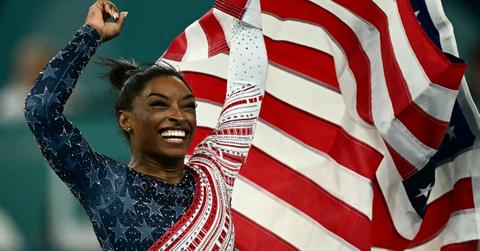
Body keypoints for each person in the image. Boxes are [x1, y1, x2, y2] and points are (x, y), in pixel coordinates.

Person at [24, 0, 267, 250]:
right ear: (125, 119)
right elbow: (40, 110)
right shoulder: (107, 184)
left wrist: (243, 10)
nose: (178, 115)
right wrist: (90, 35)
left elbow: (246, 87)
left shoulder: (213, 173)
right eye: (159, 105)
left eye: (187, 106)